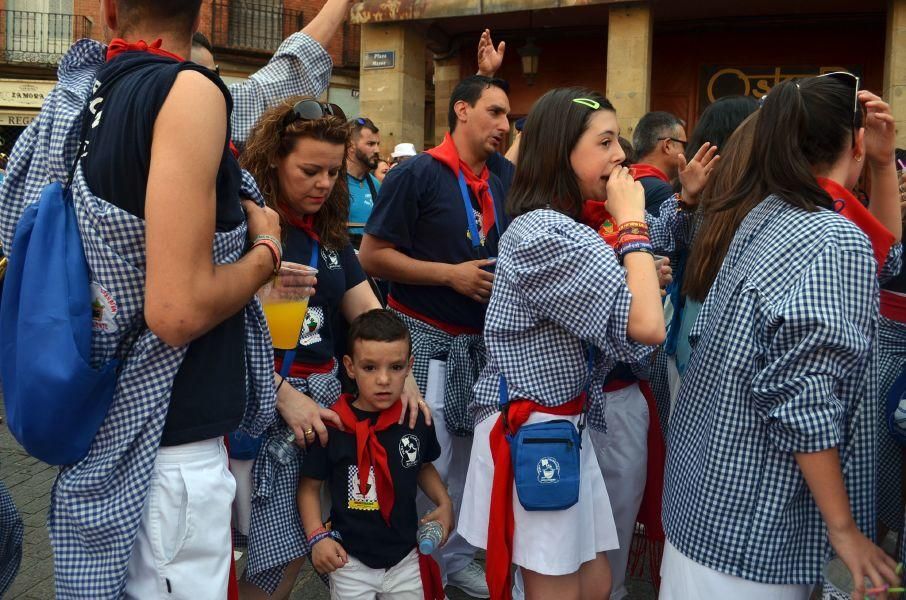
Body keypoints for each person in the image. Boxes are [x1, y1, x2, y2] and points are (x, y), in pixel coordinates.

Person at [0, 0, 291, 596]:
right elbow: (176, 311)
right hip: (167, 452)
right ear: (202, 11)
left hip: (103, 433)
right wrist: (265, 253)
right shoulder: (186, 92)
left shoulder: (75, 100)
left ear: (109, 12)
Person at [662, 74, 902, 599]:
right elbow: (802, 395)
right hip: (758, 523)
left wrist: (880, 165)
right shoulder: (832, 235)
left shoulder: (767, 212)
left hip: (705, 499)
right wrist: (844, 530)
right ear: (856, 142)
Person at [458, 87, 667, 600]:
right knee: (560, 588)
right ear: (561, 152)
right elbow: (648, 327)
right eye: (605, 142)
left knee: (595, 580)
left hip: (562, 424)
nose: (621, 156)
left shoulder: (562, 227)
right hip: (535, 430)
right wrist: (634, 225)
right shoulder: (546, 233)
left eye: (618, 141)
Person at [237, 97, 428, 599]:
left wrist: (404, 377)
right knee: (271, 553)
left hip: (325, 409)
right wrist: (284, 394)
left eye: (331, 172)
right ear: (273, 159)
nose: (323, 183)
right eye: (309, 170)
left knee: (304, 541)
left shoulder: (330, 237)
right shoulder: (248, 230)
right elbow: (224, 335)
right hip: (268, 406)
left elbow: (369, 314)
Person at [358, 74, 512, 598]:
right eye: (494, 112)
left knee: (473, 461)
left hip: (483, 344)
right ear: (462, 111)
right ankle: (417, 568)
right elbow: (371, 256)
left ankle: (454, 559)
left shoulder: (504, 177)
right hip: (426, 339)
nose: (505, 125)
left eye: (508, 115)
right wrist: (451, 274)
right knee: (429, 456)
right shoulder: (417, 174)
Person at [299, 309, 453, 599]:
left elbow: (422, 466)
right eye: (370, 367)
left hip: (406, 556)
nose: (383, 379)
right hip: (349, 560)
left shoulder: (415, 420)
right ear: (350, 366)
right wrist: (316, 536)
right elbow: (309, 486)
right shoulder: (333, 425)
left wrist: (445, 502)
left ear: (410, 367)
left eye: (395, 367)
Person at [189, 0, 351, 150]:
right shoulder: (221, 116)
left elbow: (291, 71)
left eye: (215, 73)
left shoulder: (227, 111)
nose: (213, 83)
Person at [631, 111, 687, 215]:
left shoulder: (620, 179)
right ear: (667, 146)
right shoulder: (662, 192)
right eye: (684, 145)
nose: (685, 152)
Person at [346, 117, 382, 240]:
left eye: (378, 144)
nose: (377, 150)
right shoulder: (333, 182)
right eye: (370, 144)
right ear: (351, 146)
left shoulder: (376, 184)